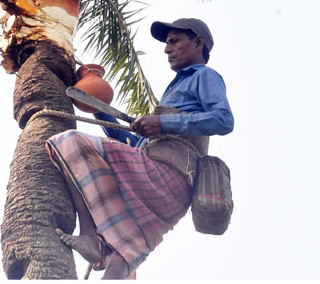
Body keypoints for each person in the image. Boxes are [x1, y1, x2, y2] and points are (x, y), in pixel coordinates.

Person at [46, 18, 234, 279]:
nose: (167, 49)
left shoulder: (204, 75)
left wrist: (162, 122)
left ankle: (90, 236)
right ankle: (106, 252)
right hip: (173, 196)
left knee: (69, 142)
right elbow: (136, 146)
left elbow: (224, 120)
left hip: (164, 175)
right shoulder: (177, 87)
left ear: (198, 43)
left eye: (174, 41)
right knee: (121, 260)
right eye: (167, 43)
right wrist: (100, 109)